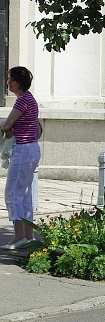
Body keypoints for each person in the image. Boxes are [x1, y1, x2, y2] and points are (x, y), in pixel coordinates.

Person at [1, 66, 41, 250]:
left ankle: (17, 236)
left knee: (12, 192)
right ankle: (28, 234)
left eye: (11, 80)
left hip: (23, 149)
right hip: (31, 148)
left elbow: (7, 124)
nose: (8, 83)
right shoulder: (30, 99)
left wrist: (6, 127)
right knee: (25, 193)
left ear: (19, 83)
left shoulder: (22, 101)